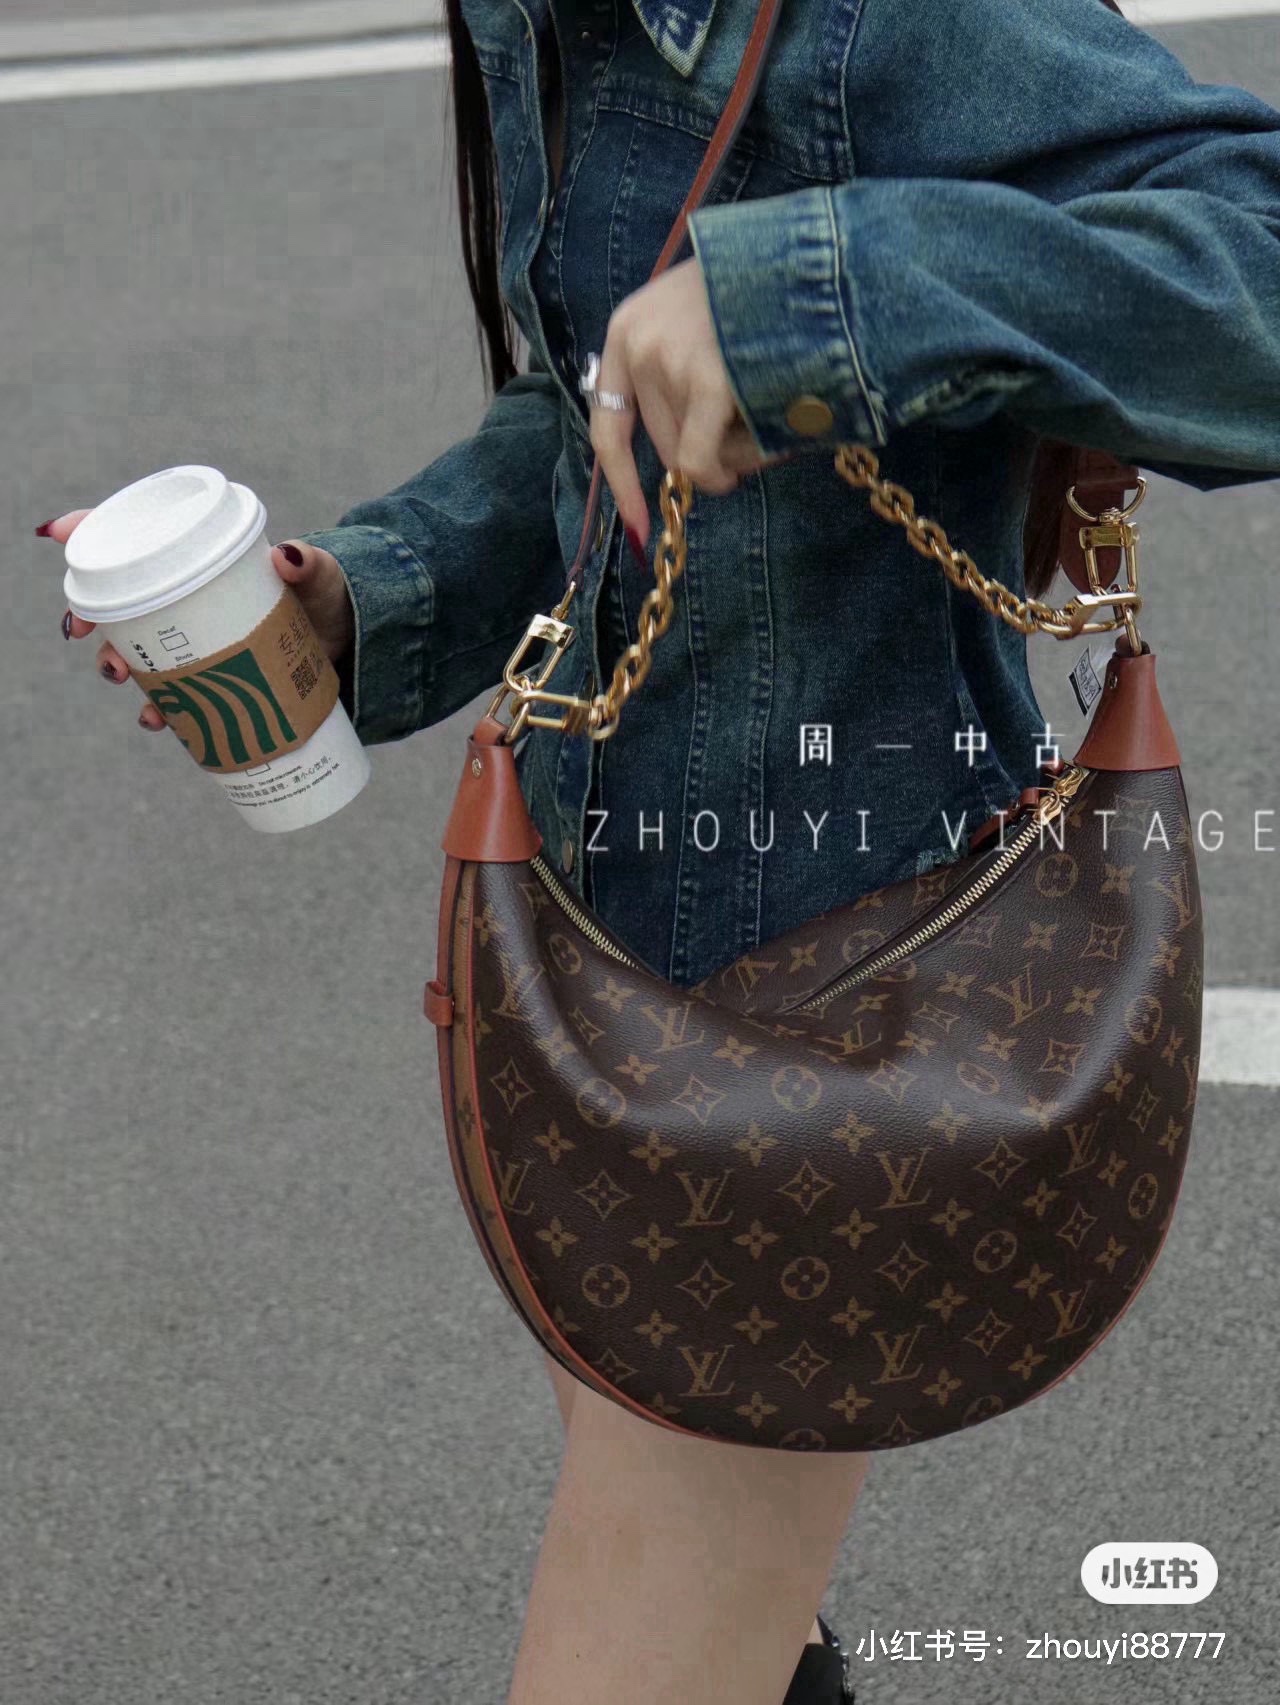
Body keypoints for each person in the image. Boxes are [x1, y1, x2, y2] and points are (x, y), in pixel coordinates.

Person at [47, 0, 1280, 1698]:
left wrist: (818, 299)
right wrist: (360, 604)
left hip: (841, 1034)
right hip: (611, 994)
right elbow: (604, 425)